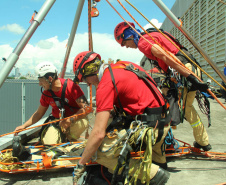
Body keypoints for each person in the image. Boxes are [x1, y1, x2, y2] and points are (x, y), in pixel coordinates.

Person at [72, 51, 171, 185]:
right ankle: (160, 162)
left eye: (84, 79)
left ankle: (155, 175)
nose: (87, 83)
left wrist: (81, 163)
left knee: (99, 151)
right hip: (163, 121)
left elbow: (98, 134)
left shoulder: (106, 84)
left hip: (150, 129)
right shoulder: (122, 65)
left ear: (89, 71)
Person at [114, 21, 211, 151]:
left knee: (186, 109)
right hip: (188, 65)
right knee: (187, 107)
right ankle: (202, 141)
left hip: (184, 68)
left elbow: (166, 57)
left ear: (129, 35)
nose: (126, 47)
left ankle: (202, 142)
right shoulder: (150, 34)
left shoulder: (143, 43)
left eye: (124, 43)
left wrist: (189, 76)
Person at [14, 62, 91, 145]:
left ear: (50, 78)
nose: (40, 84)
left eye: (41, 81)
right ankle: (62, 139)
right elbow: (39, 113)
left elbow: (87, 108)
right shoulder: (46, 93)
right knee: (49, 144)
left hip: (74, 120)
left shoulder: (71, 87)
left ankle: (69, 139)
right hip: (57, 122)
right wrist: (24, 126)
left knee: (79, 126)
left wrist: (71, 119)